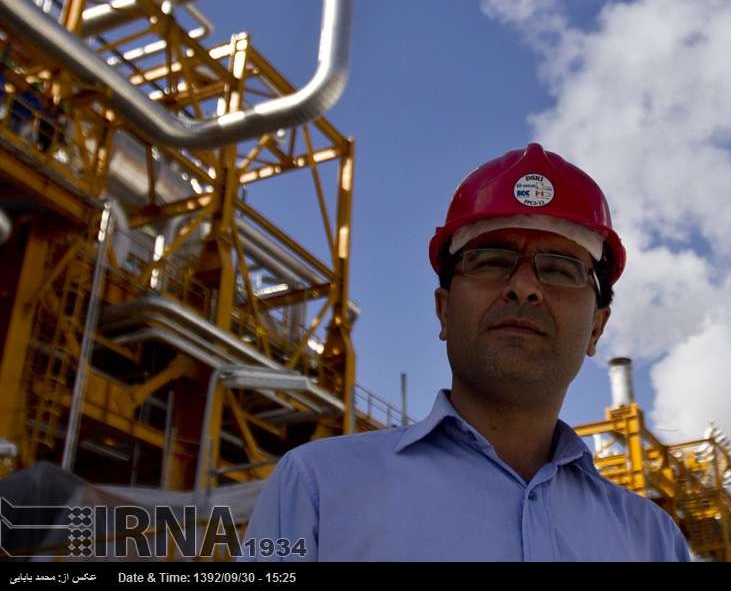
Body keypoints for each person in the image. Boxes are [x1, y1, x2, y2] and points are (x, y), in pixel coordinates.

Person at [241, 143, 691, 561]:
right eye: (491, 261)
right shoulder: (316, 490)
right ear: (443, 310)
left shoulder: (653, 541)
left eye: (560, 269)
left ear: (596, 327)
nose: (524, 287)